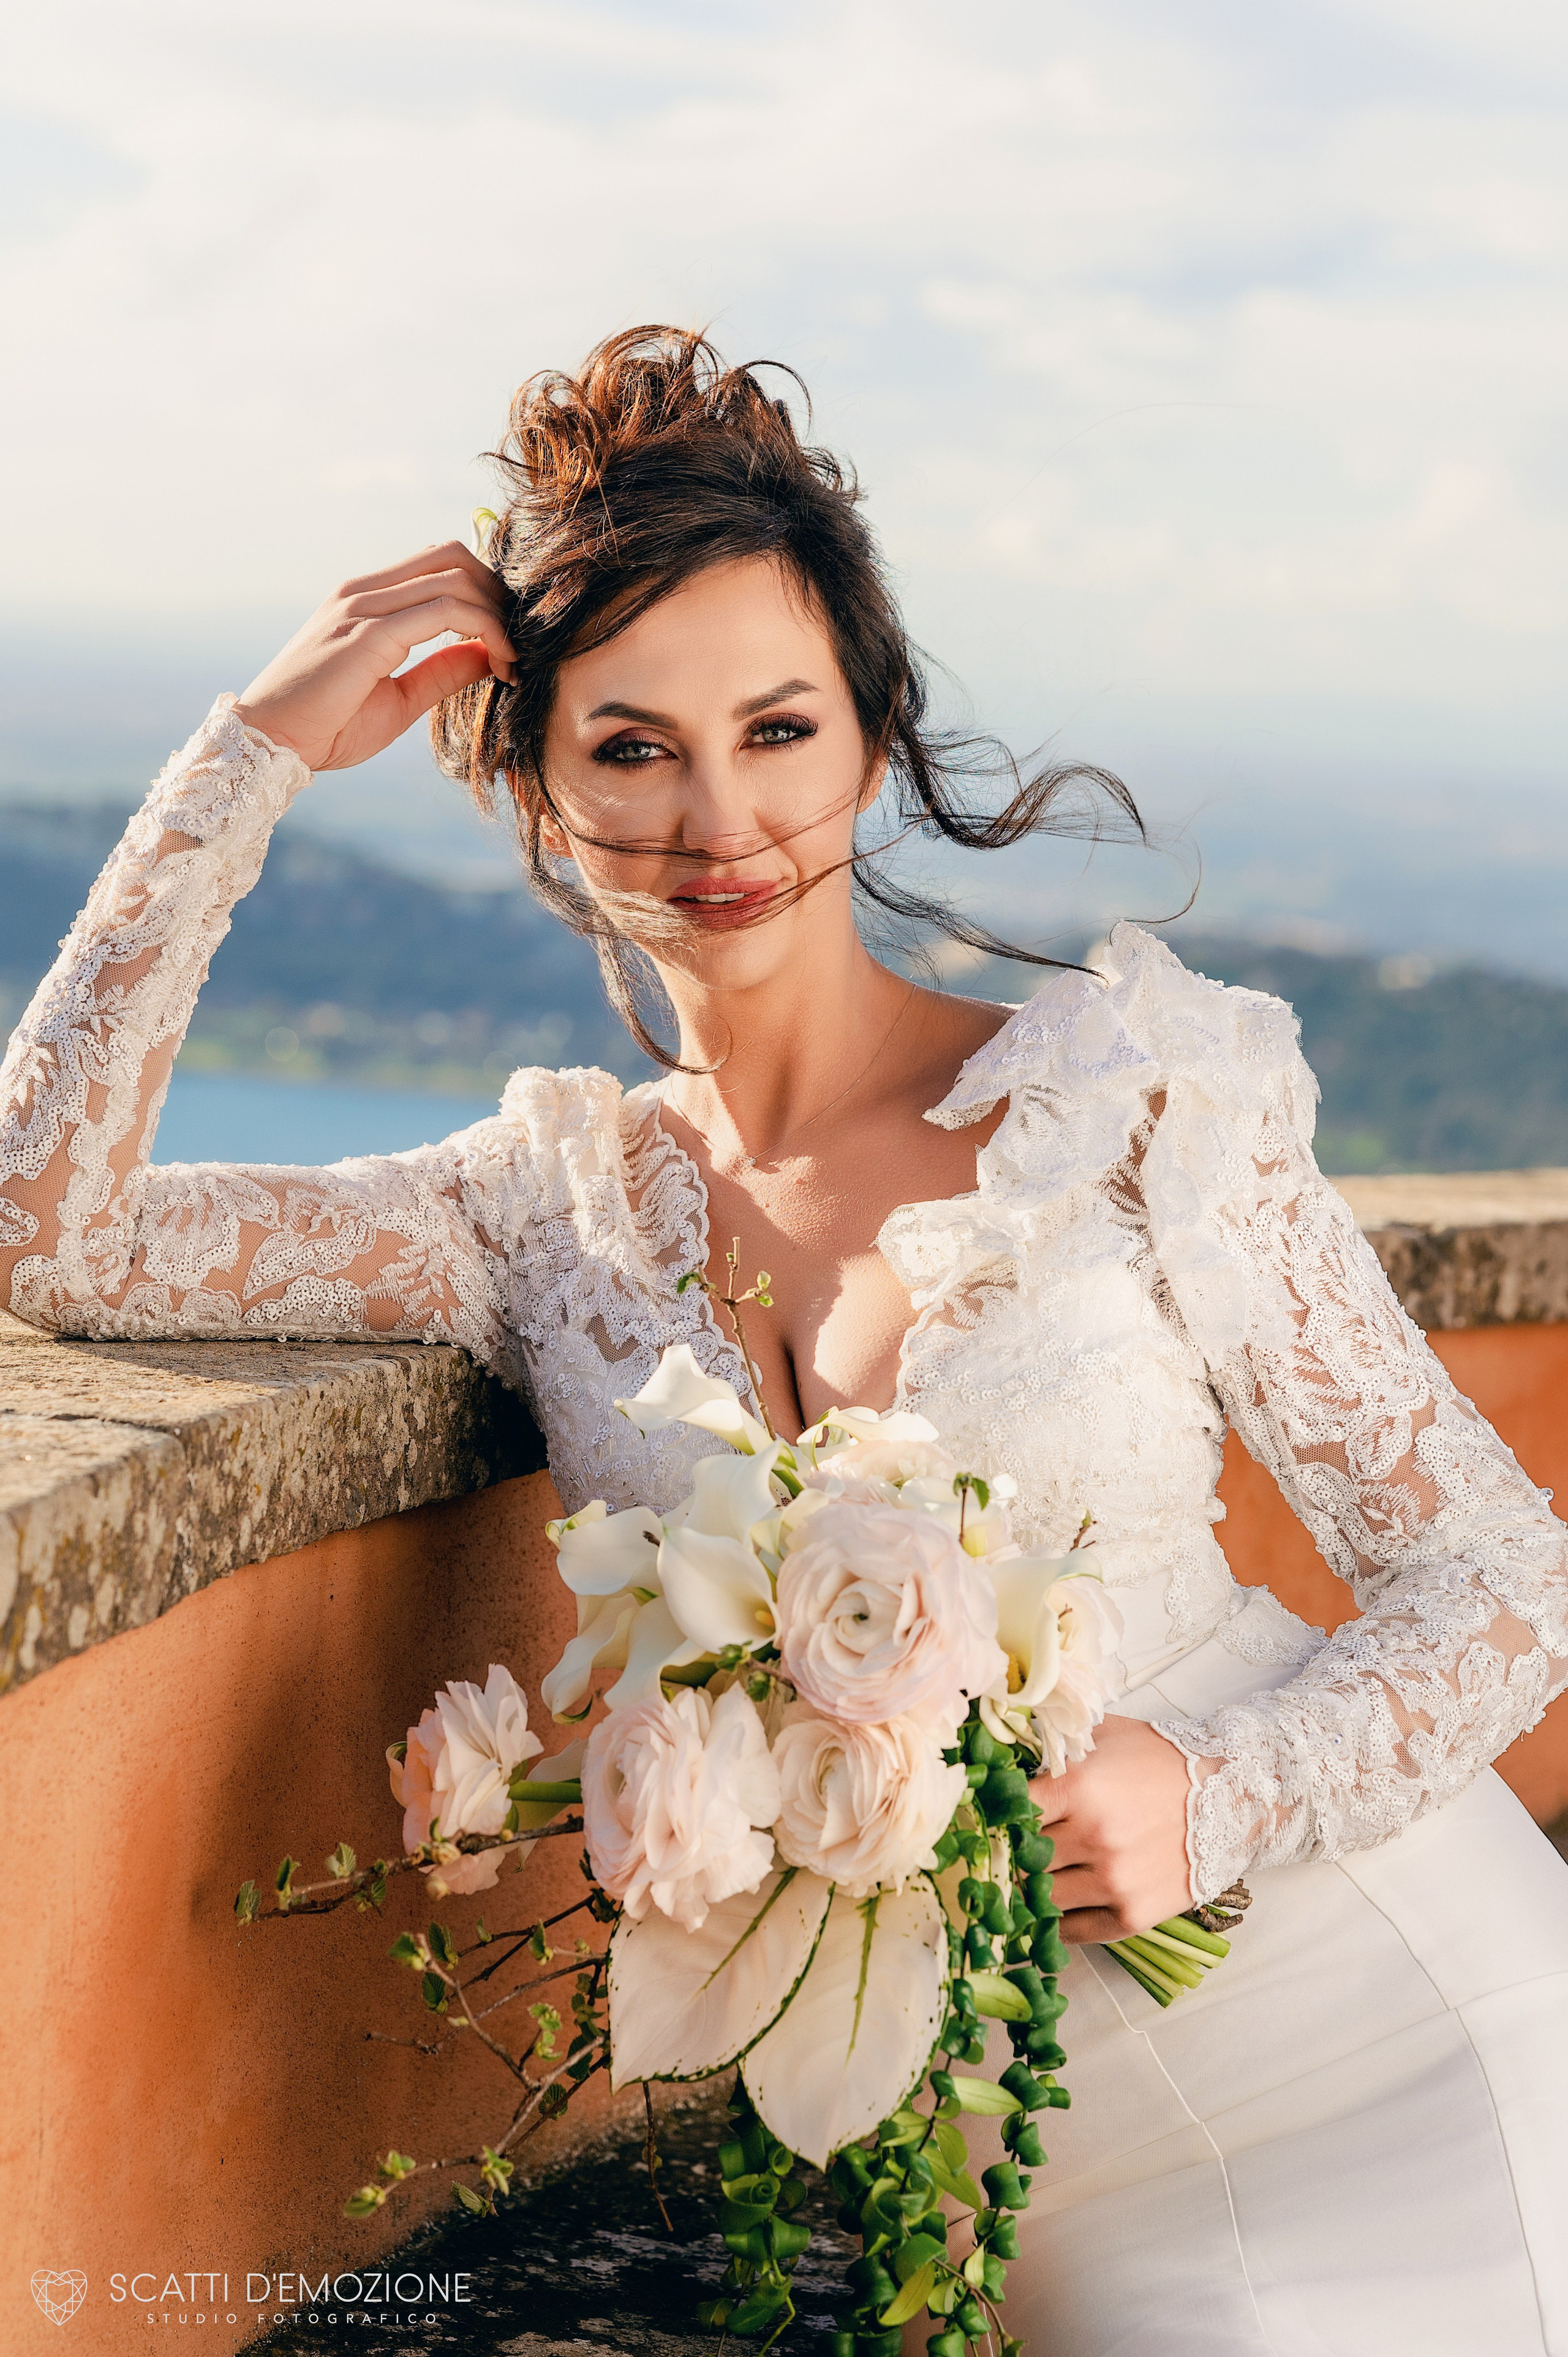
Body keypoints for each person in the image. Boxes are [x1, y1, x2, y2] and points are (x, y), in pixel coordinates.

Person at [3, 327, 1566, 2355]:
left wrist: (1219, 1785)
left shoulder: (1135, 1094)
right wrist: (255, 755)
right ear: (537, 786)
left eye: (779, 728)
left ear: (873, 736)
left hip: (1393, 2025)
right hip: (1050, 2182)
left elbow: (1503, 1577)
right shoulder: (537, 1213)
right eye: (631, 746)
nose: (719, 817)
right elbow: (54, 1226)